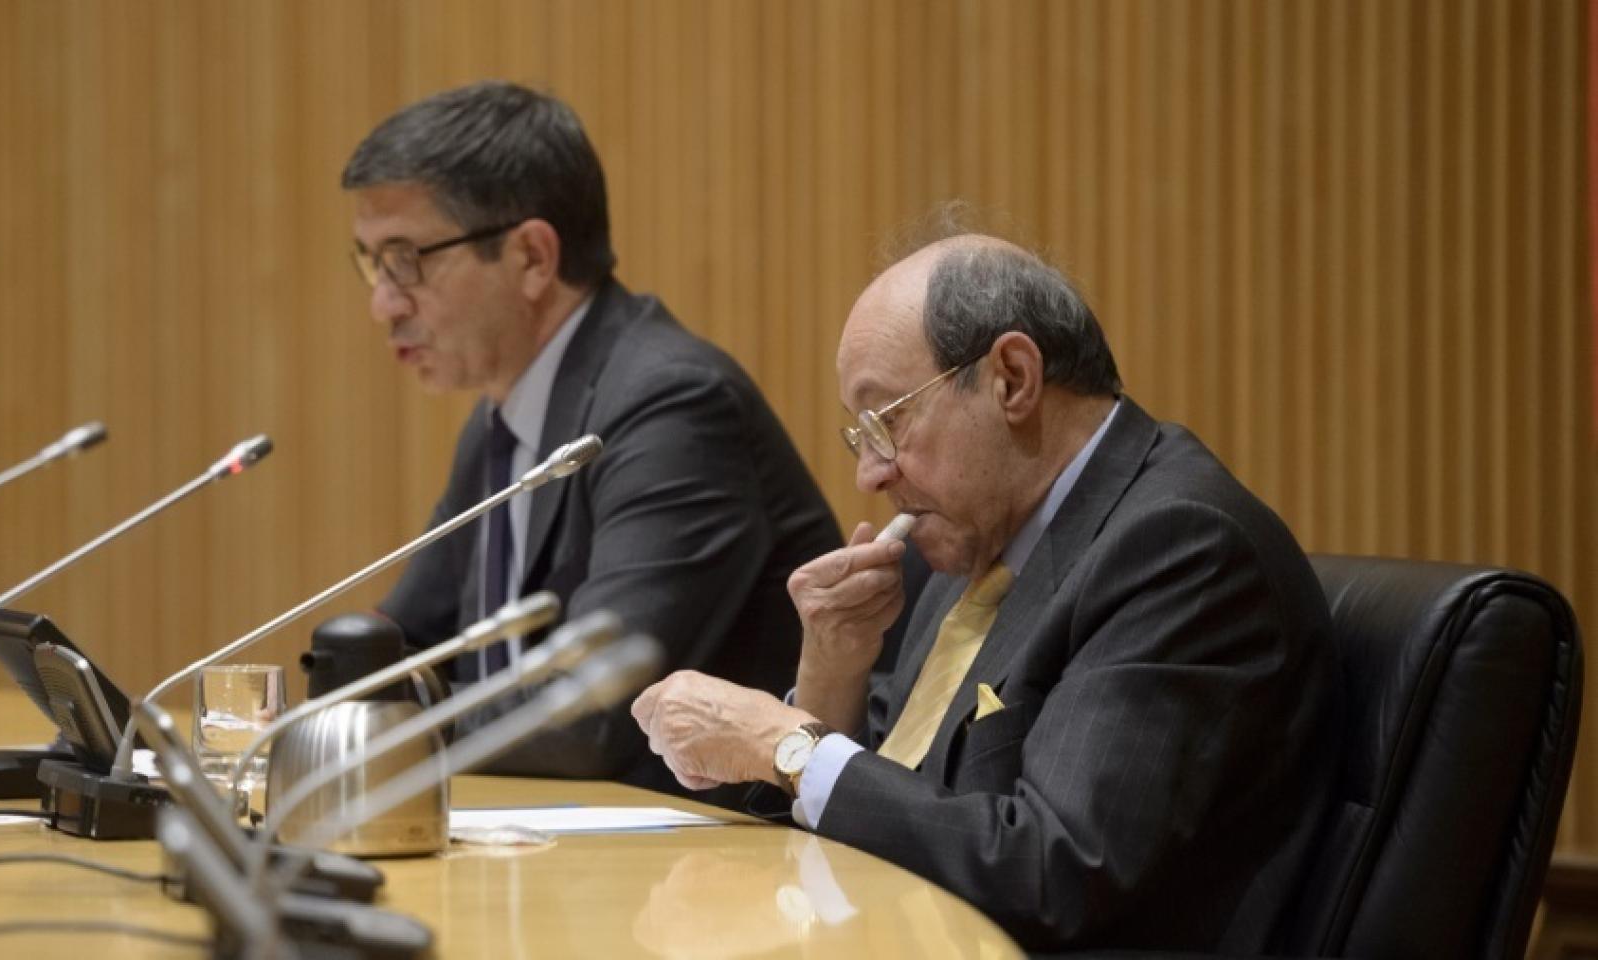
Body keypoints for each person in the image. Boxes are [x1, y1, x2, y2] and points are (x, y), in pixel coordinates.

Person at [631, 234, 1338, 950]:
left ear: (1012, 379)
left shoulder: (1179, 548)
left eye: (887, 422)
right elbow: (905, 790)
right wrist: (832, 672)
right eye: (861, 435)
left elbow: (1053, 872)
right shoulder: (980, 540)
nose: (869, 475)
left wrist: (786, 746)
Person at [343, 81, 840, 801]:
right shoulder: (500, 420)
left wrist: (381, 732)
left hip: (717, 856)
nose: (382, 303)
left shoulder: (670, 403)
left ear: (532, 257)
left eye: (405, 260)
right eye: (370, 263)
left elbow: (592, 710)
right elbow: (402, 647)